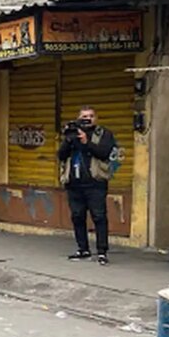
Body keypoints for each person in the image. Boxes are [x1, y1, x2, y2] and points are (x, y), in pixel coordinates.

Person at [58, 106, 116, 266]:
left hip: (95, 183)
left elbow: (104, 153)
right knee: (77, 216)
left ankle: (102, 251)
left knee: (99, 217)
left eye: (90, 116)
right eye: (84, 116)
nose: (87, 119)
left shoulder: (103, 134)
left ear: (95, 118)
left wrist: (86, 142)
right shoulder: (72, 133)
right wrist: (69, 140)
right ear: (78, 118)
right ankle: (83, 249)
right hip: (74, 184)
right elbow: (61, 155)